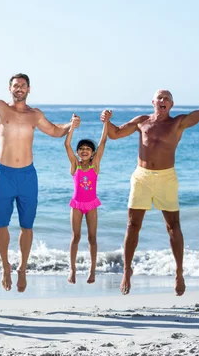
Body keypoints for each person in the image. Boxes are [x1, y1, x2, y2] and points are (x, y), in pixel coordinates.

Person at [101, 71, 199, 296]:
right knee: (132, 225)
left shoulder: (178, 123)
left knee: (173, 227)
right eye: (159, 97)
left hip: (166, 178)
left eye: (166, 98)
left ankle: (179, 272)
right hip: (141, 177)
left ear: (171, 104)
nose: (162, 101)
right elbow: (115, 134)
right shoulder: (141, 122)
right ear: (153, 102)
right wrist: (107, 121)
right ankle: (127, 270)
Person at [0, 68, 79, 293]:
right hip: (3, 175)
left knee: (27, 226)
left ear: (28, 89)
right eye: (15, 86)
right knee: (1, 224)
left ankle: (22, 268)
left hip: (27, 175)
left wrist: (70, 125)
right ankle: (5, 266)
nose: (19, 89)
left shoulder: (34, 115)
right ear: (10, 89)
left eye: (23, 86)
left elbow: (56, 131)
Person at [64, 112, 109, 284]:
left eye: (87, 149)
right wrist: (72, 127)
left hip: (91, 205)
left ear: (92, 153)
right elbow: (66, 144)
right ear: (78, 152)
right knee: (75, 237)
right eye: (81, 149)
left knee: (92, 238)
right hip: (76, 205)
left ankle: (92, 271)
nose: (84, 151)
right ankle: (72, 270)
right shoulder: (74, 165)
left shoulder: (95, 165)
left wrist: (107, 122)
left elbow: (103, 142)